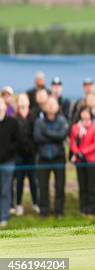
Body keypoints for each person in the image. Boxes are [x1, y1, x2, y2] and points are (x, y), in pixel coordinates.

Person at [33, 97, 69, 218]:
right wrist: (54, 137)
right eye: (48, 104)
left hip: (58, 157)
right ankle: (44, 210)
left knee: (59, 185)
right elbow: (37, 138)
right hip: (43, 158)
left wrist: (47, 133)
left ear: (58, 106)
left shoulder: (62, 120)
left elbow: (62, 136)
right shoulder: (39, 122)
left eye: (53, 104)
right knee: (43, 186)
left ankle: (59, 211)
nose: (51, 107)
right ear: (44, 106)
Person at [69, 108, 95, 216]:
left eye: (87, 118)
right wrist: (77, 152)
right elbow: (72, 142)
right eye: (83, 119)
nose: (85, 121)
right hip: (80, 160)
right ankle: (83, 208)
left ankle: (92, 209)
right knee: (82, 185)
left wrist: (83, 152)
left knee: (91, 186)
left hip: (92, 160)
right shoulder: (75, 128)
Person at [13, 94, 39, 216]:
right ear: (18, 104)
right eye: (20, 101)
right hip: (19, 155)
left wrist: (32, 149)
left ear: (28, 102)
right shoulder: (14, 119)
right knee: (19, 180)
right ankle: (18, 204)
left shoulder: (33, 117)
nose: (23, 103)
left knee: (33, 179)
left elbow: (36, 136)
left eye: (25, 100)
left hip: (31, 155)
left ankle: (35, 203)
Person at [0, 99, 19, 228]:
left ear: (5, 108)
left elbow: (17, 142)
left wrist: (7, 153)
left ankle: (4, 216)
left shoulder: (12, 122)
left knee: (5, 191)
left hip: (8, 163)